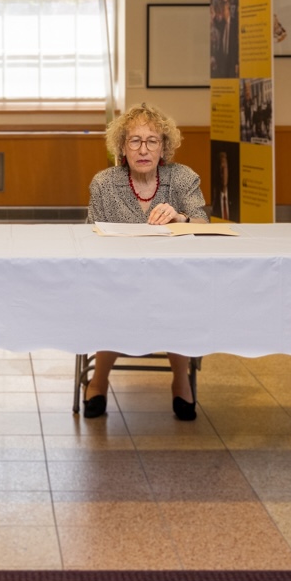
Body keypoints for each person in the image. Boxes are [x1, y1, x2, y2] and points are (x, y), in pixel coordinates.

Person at [82, 103, 209, 420]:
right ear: (122, 147)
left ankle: (181, 380)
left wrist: (180, 218)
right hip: (116, 280)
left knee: (178, 302)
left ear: (164, 147)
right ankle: (99, 380)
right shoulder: (104, 183)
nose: (143, 149)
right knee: (113, 302)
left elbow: (203, 224)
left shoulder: (181, 178)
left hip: (173, 280)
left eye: (152, 141)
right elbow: (90, 236)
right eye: (135, 141)